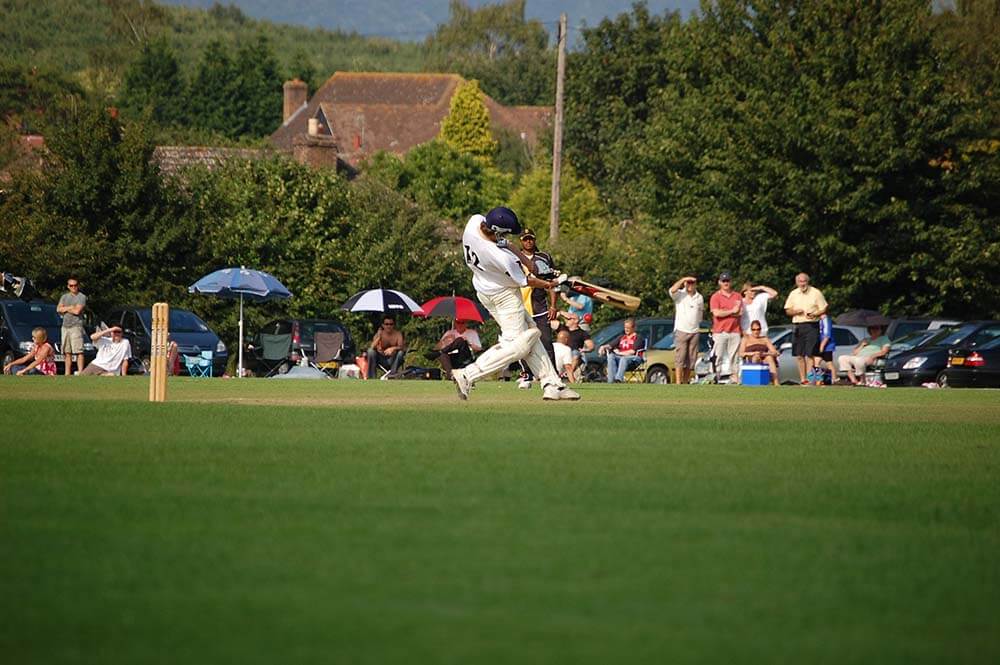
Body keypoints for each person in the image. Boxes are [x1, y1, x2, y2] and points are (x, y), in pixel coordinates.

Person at [451, 207, 579, 401]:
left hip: (484, 290)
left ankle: (553, 385)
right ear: (498, 231)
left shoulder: (474, 222)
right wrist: (550, 283)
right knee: (519, 344)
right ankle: (467, 374)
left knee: (530, 333)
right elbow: (527, 281)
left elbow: (506, 244)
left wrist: (532, 265)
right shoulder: (498, 256)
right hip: (505, 297)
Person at [515, 228, 558, 389]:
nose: (528, 242)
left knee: (546, 341)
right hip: (520, 306)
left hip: (539, 306)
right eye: (525, 239)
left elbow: (552, 283)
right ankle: (526, 374)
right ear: (521, 240)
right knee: (523, 343)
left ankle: (553, 375)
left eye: (531, 239)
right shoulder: (515, 257)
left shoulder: (544, 257)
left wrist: (553, 305)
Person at [783, 272, 828, 385]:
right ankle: (803, 379)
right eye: (800, 282)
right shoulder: (793, 294)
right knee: (799, 354)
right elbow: (787, 310)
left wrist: (816, 314)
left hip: (812, 325)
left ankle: (809, 378)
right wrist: (795, 311)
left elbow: (824, 307)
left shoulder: (816, 292)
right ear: (796, 282)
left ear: (808, 282)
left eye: (804, 281)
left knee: (810, 353)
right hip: (798, 325)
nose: (802, 284)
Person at [669, 275, 704, 385]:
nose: (690, 285)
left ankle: (685, 380)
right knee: (681, 357)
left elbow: (700, 313)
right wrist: (683, 279)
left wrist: (698, 325)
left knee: (691, 358)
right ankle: (679, 382)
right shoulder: (680, 294)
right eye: (688, 283)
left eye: (692, 283)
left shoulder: (699, 297)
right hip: (681, 330)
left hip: (694, 331)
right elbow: (672, 290)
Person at [709, 272, 742, 382]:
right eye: (723, 281)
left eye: (727, 281)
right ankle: (716, 377)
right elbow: (717, 313)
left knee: (735, 357)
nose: (726, 283)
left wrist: (725, 312)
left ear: (731, 282)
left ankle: (735, 378)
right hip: (720, 331)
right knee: (718, 357)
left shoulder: (737, 296)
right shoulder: (715, 297)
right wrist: (732, 311)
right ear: (719, 283)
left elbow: (740, 312)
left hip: (735, 330)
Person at [599, 318, 645, 383]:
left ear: (634, 328)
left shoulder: (638, 337)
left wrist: (620, 353)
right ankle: (611, 381)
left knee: (624, 358)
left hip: (634, 359)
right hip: (621, 358)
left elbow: (632, 352)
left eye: (628, 327)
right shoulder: (622, 337)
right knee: (611, 356)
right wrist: (603, 347)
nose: (626, 329)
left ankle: (618, 379)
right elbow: (610, 345)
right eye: (625, 327)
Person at [57, 276, 87, 375]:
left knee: (79, 351)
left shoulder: (81, 297)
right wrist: (70, 307)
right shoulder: (64, 297)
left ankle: (81, 372)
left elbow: (77, 311)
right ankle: (67, 373)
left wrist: (65, 308)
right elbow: (58, 309)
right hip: (65, 326)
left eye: (75, 285)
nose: (74, 287)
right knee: (67, 351)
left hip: (76, 326)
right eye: (71, 285)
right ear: (68, 286)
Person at [739, 320, 780, 386]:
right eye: (754, 329)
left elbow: (775, 352)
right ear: (751, 330)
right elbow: (741, 353)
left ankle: (775, 382)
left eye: (758, 329)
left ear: (760, 329)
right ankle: (756, 379)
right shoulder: (746, 339)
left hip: (764, 357)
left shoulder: (764, 339)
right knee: (756, 357)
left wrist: (765, 354)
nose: (756, 331)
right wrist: (753, 353)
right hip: (751, 358)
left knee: (769, 358)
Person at [561, 312, 594, 382]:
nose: (566, 320)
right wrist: (561, 313)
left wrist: (585, 350)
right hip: (561, 353)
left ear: (576, 321)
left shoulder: (582, 333)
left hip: (573, 355)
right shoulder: (562, 328)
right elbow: (552, 320)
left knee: (576, 353)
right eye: (566, 318)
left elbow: (591, 346)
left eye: (569, 319)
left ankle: (568, 373)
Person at [812, 311, 837, 385]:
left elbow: (827, 335)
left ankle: (834, 379)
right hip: (819, 343)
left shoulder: (826, 320)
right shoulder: (818, 320)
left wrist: (822, 346)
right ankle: (818, 380)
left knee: (829, 364)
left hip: (827, 346)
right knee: (816, 362)